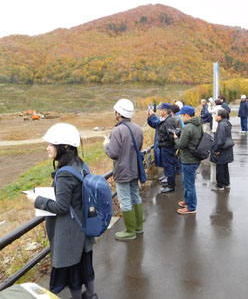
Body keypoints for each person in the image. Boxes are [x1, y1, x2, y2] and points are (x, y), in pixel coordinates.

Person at [26, 123, 97, 299]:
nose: (47, 148)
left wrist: (37, 200)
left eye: (51, 144)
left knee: (73, 272)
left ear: (64, 147)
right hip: (83, 227)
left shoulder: (65, 173)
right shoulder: (80, 164)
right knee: (85, 266)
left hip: (70, 233)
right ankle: (91, 295)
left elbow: (61, 207)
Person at [104, 99, 144, 241]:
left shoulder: (117, 130)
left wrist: (106, 145)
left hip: (122, 170)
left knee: (125, 200)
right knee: (135, 196)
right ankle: (139, 227)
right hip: (135, 169)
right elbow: (138, 148)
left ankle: (130, 231)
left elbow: (113, 153)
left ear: (118, 113)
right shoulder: (138, 129)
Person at [173, 106, 202, 214]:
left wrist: (176, 137)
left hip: (188, 160)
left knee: (189, 185)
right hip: (194, 157)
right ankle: (187, 201)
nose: (180, 117)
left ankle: (191, 207)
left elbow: (181, 144)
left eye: (182, 115)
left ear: (186, 115)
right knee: (187, 182)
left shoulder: (188, 127)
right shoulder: (198, 124)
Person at [147, 102, 178, 193]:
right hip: (166, 147)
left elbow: (171, 135)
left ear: (165, 111)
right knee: (168, 166)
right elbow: (156, 124)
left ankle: (171, 186)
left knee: (169, 166)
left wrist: (165, 141)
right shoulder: (167, 119)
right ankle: (170, 183)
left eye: (161, 109)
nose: (159, 111)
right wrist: (150, 117)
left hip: (167, 147)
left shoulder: (168, 121)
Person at [210, 109, 234, 191]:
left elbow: (220, 139)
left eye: (216, 115)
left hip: (222, 149)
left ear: (220, 116)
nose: (215, 116)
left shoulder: (221, 125)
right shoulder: (227, 123)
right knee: (225, 167)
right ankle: (226, 183)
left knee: (220, 167)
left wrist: (217, 150)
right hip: (227, 149)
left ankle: (220, 185)